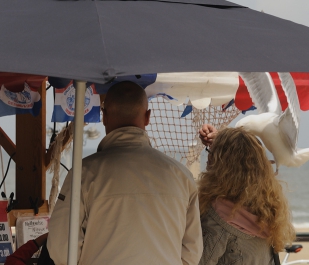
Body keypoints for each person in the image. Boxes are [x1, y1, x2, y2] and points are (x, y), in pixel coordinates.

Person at [47, 81, 202, 265]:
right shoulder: (181, 176)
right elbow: (192, 252)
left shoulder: (83, 175)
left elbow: (62, 250)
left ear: (103, 116)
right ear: (148, 117)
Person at [198, 126, 295, 265]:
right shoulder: (265, 209)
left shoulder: (218, 216)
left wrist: (224, 143)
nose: (208, 158)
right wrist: (224, 141)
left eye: (212, 153)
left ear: (224, 165)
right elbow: (246, 151)